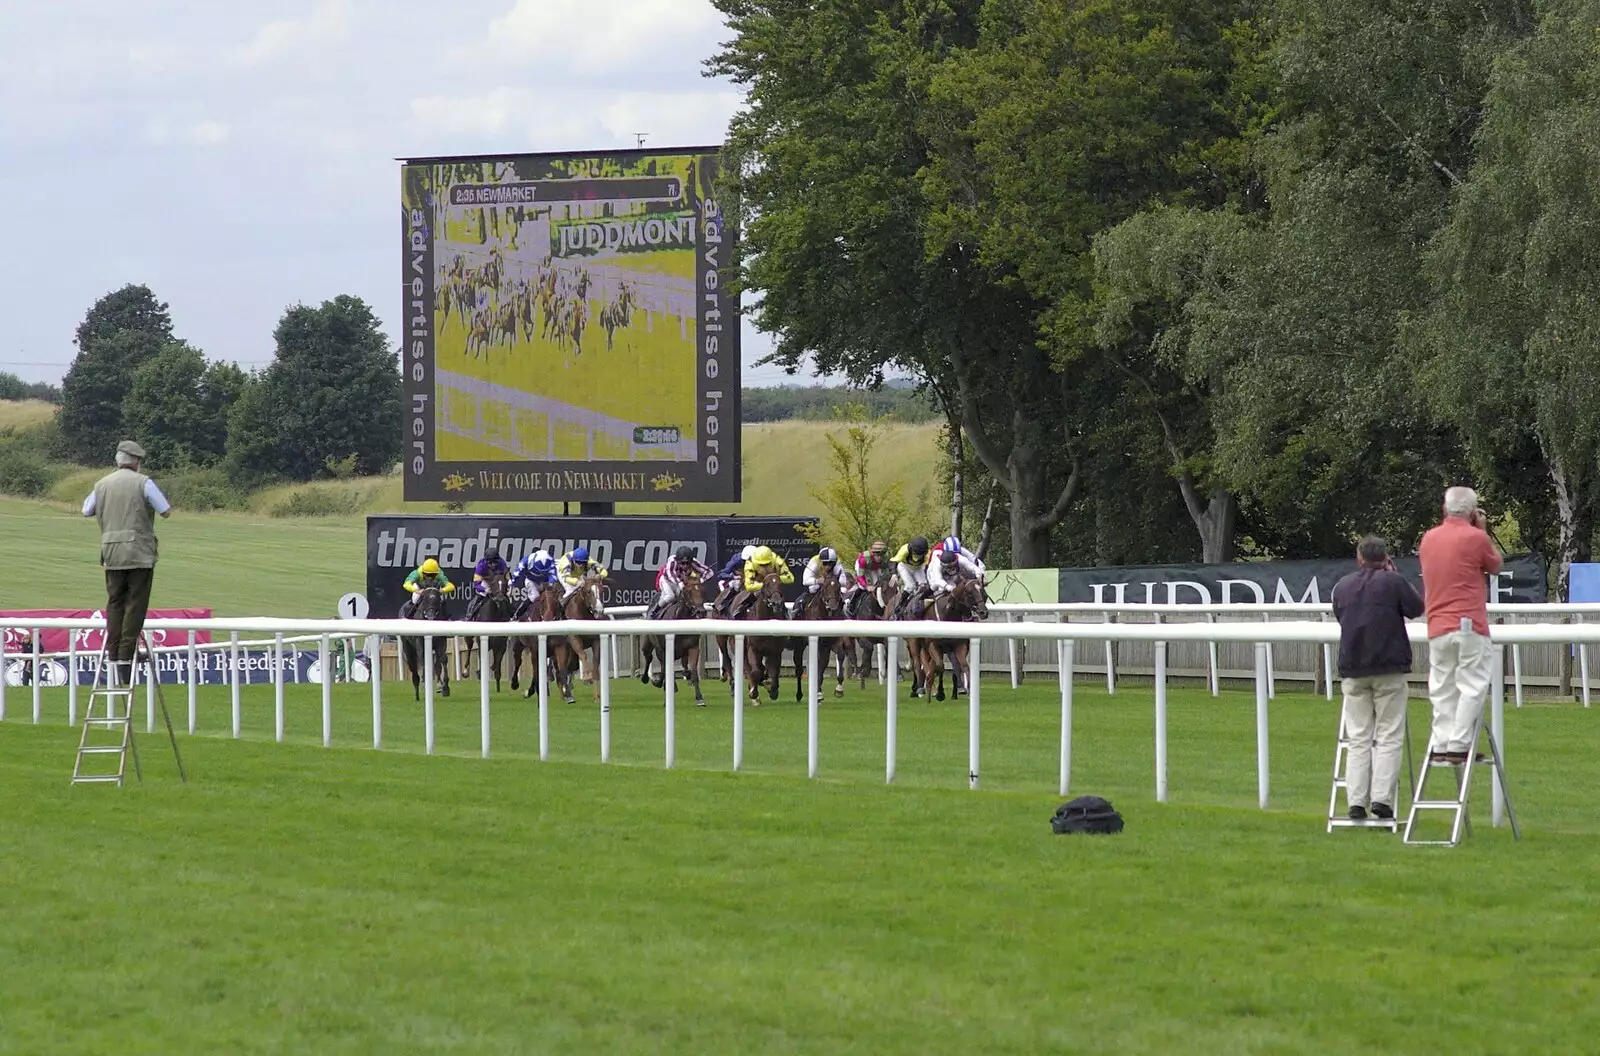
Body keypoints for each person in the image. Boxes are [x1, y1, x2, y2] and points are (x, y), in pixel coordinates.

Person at [1331, 535, 1425, 820]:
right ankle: (1382, 798)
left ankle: (1356, 802)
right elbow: (1417, 608)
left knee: (1358, 737)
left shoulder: (1342, 586)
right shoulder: (1393, 582)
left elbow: (1340, 616)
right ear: (1385, 558)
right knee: (1388, 735)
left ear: (1359, 558)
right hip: (1388, 668)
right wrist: (1396, 578)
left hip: (1354, 667)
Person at [1418, 486, 1503, 766]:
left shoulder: (1428, 539)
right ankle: (1459, 744)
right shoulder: (1476, 537)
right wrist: (1481, 529)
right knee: (1472, 685)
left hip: (1437, 624)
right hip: (1469, 624)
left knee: (1442, 686)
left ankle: (1441, 742)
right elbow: (1495, 566)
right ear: (1471, 512)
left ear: (1444, 509)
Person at [81, 440, 171, 686]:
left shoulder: (101, 484)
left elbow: (86, 510)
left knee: (114, 603)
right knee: (135, 604)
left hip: (110, 552)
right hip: (139, 553)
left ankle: (113, 652)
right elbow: (165, 509)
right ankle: (126, 657)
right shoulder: (144, 483)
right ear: (136, 462)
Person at [652, 546, 714, 618]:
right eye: (682, 563)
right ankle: (655, 611)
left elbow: (709, 572)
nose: (685, 566)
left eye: (687, 563)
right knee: (670, 596)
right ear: (678, 561)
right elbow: (671, 575)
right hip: (667, 581)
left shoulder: (694, 563)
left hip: (681, 581)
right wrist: (680, 583)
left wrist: (701, 580)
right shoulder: (672, 562)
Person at [733, 545, 793, 617]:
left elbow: (790, 578)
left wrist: (775, 579)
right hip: (757, 583)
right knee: (749, 594)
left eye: (767, 563)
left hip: (772, 584)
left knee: (777, 594)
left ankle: (786, 614)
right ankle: (740, 610)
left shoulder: (777, 560)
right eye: (761, 564)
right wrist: (764, 584)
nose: (764, 566)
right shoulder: (750, 562)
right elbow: (749, 585)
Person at [510, 549, 559, 619]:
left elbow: (553, 575)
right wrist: (512, 582)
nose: (542, 572)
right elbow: (517, 572)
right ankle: (517, 614)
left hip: (545, 581)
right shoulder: (525, 561)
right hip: (531, 580)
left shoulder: (551, 561)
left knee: (552, 596)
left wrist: (551, 584)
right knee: (534, 597)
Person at [891, 536, 932, 617]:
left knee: (923, 586)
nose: (919, 557)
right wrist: (894, 574)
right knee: (910, 586)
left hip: (918, 568)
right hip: (904, 567)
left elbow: (928, 567)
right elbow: (894, 561)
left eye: (921, 555)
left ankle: (919, 603)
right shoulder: (904, 549)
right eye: (916, 554)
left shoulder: (928, 553)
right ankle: (901, 605)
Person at [464, 551, 511, 620]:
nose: (493, 565)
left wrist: (510, 586)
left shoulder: (502, 563)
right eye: (490, 563)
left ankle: (512, 614)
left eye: (495, 562)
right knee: (482, 595)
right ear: (486, 561)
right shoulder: (481, 566)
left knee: (503, 596)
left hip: (497, 581)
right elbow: (476, 584)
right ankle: (471, 613)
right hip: (485, 581)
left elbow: (507, 577)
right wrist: (484, 589)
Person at [713, 545, 757, 617]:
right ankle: (722, 605)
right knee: (736, 586)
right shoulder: (737, 559)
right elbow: (722, 573)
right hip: (739, 579)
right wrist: (733, 577)